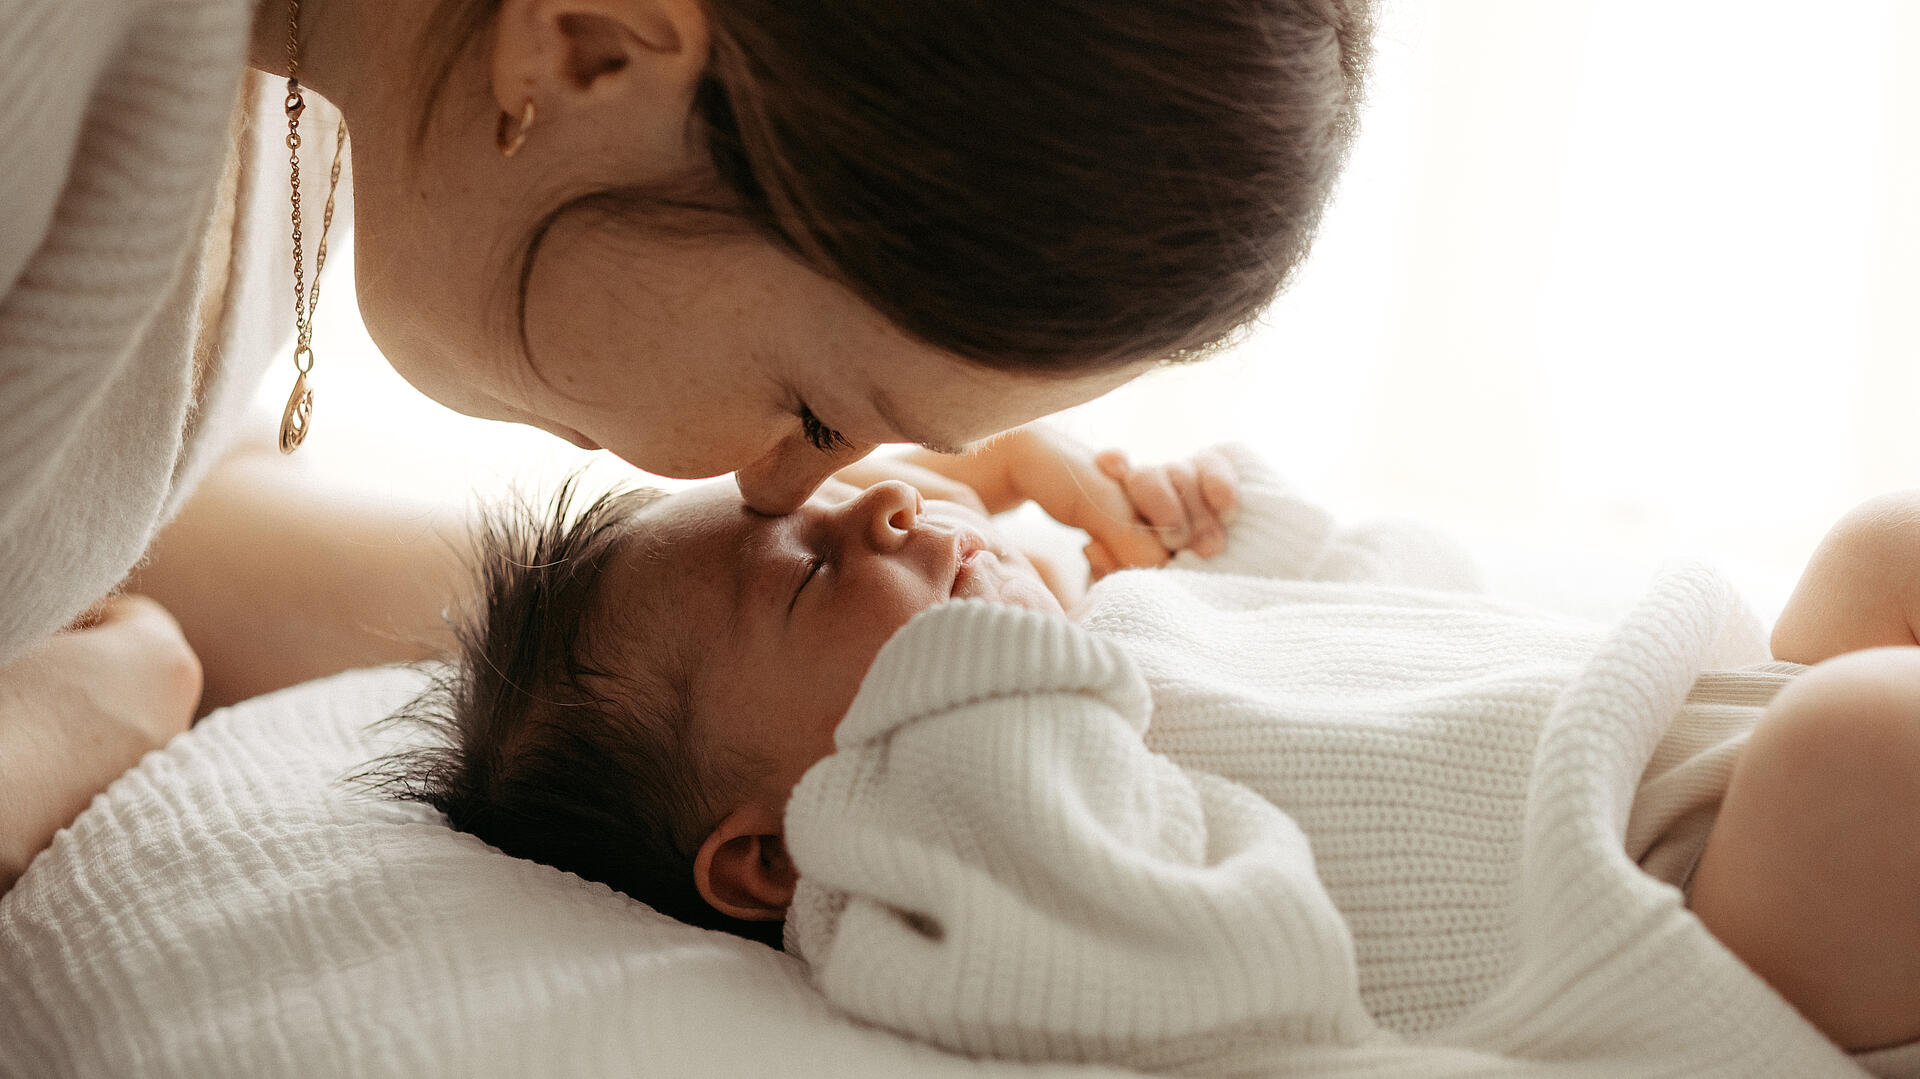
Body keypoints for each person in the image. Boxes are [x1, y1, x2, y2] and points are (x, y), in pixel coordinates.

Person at [0, 0, 1375, 889]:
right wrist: (62, 730)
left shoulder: (318, 78)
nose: (780, 482)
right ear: (592, 42)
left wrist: (771, 638)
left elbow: (88, 490)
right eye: (822, 417)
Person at [379, 432, 1920, 1077]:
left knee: (1874, 558)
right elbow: (1202, 953)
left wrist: (1249, 536)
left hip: (1676, 718)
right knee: (1863, 747)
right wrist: (984, 675)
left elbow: (1424, 621)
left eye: (859, 485)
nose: (895, 506)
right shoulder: (929, 867)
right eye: (810, 569)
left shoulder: (1110, 625)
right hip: (1676, 919)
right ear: (770, 850)